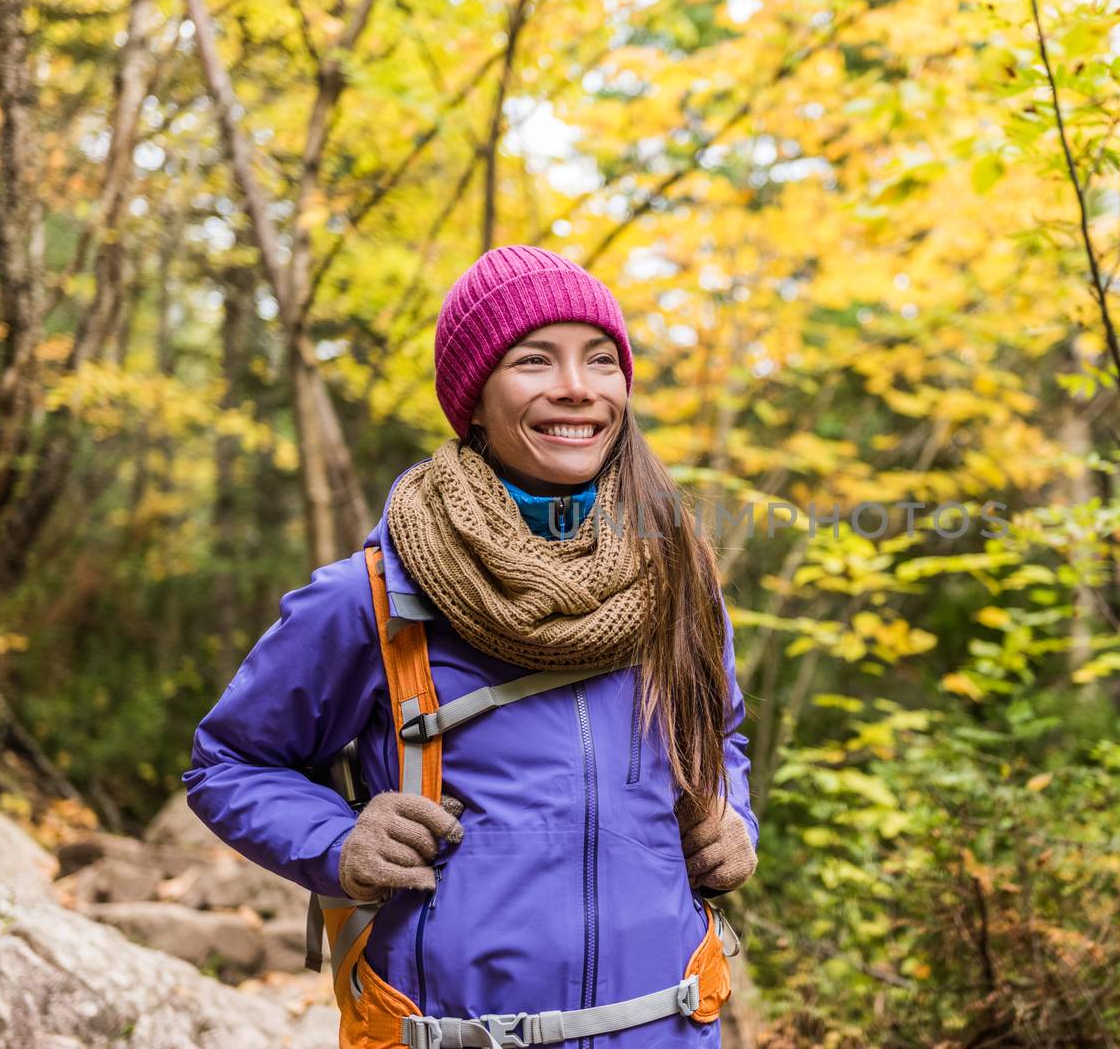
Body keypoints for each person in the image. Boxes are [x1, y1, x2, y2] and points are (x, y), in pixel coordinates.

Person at [184, 245, 759, 1049]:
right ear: (474, 400)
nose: (578, 388)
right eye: (535, 360)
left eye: (601, 360)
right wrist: (338, 839)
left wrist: (734, 816)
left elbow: (720, 736)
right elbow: (230, 763)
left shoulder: (679, 582)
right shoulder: (375, 594)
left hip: (668, 1028)